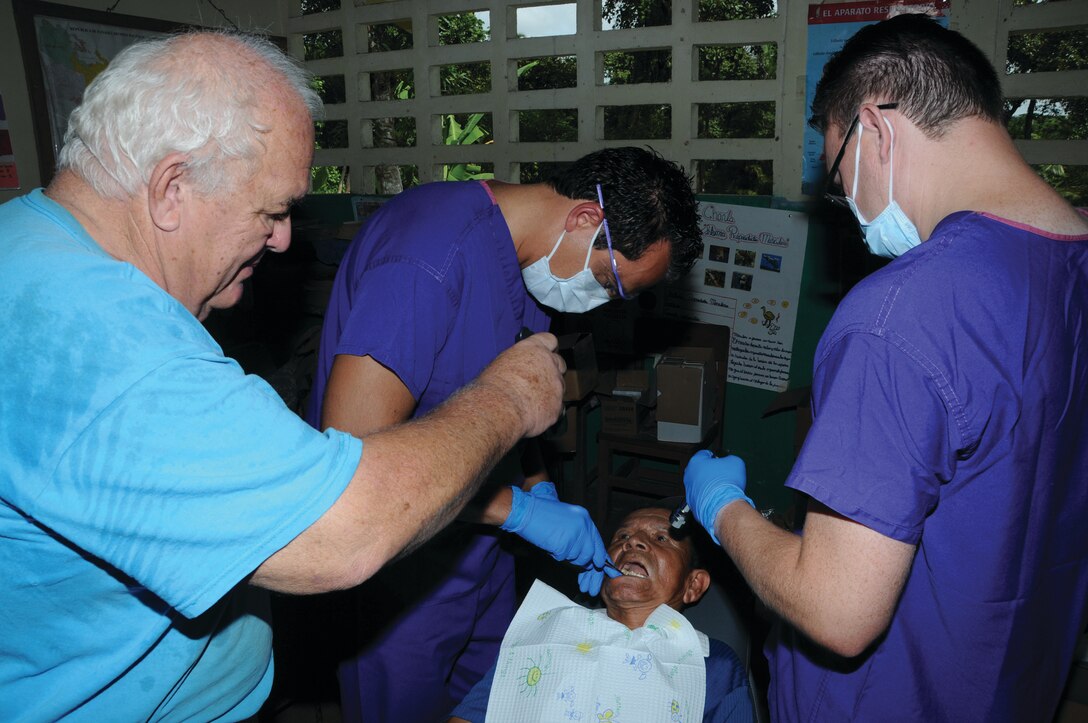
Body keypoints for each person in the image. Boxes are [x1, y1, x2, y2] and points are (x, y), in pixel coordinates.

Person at [0, 31, 567, 721]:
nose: (283, 239)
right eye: (270, 211)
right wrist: (509, 398)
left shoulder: (30, 243)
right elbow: (345, 531)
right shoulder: (109, 349)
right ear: (171, 189)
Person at [682, 13, 1088, 722]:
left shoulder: (900, 312)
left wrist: (725, 511)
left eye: (840, 178)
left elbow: (838, 609)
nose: (850, 208)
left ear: (876, 129)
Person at [306, 146, 703, 721]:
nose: (601, 303)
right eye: (608, 282)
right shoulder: (429, 258)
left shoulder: (529, 264)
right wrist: (517, 510)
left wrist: (538, 485)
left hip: (479, 552)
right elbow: (359, 473)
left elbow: (509, 401)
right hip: (404, 570)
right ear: (584, 221)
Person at [447, 505, 754, 722]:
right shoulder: (543, 633)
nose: (633, 542)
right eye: (621, 538)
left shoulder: (713, 664)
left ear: (693, 584)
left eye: (661, 538)